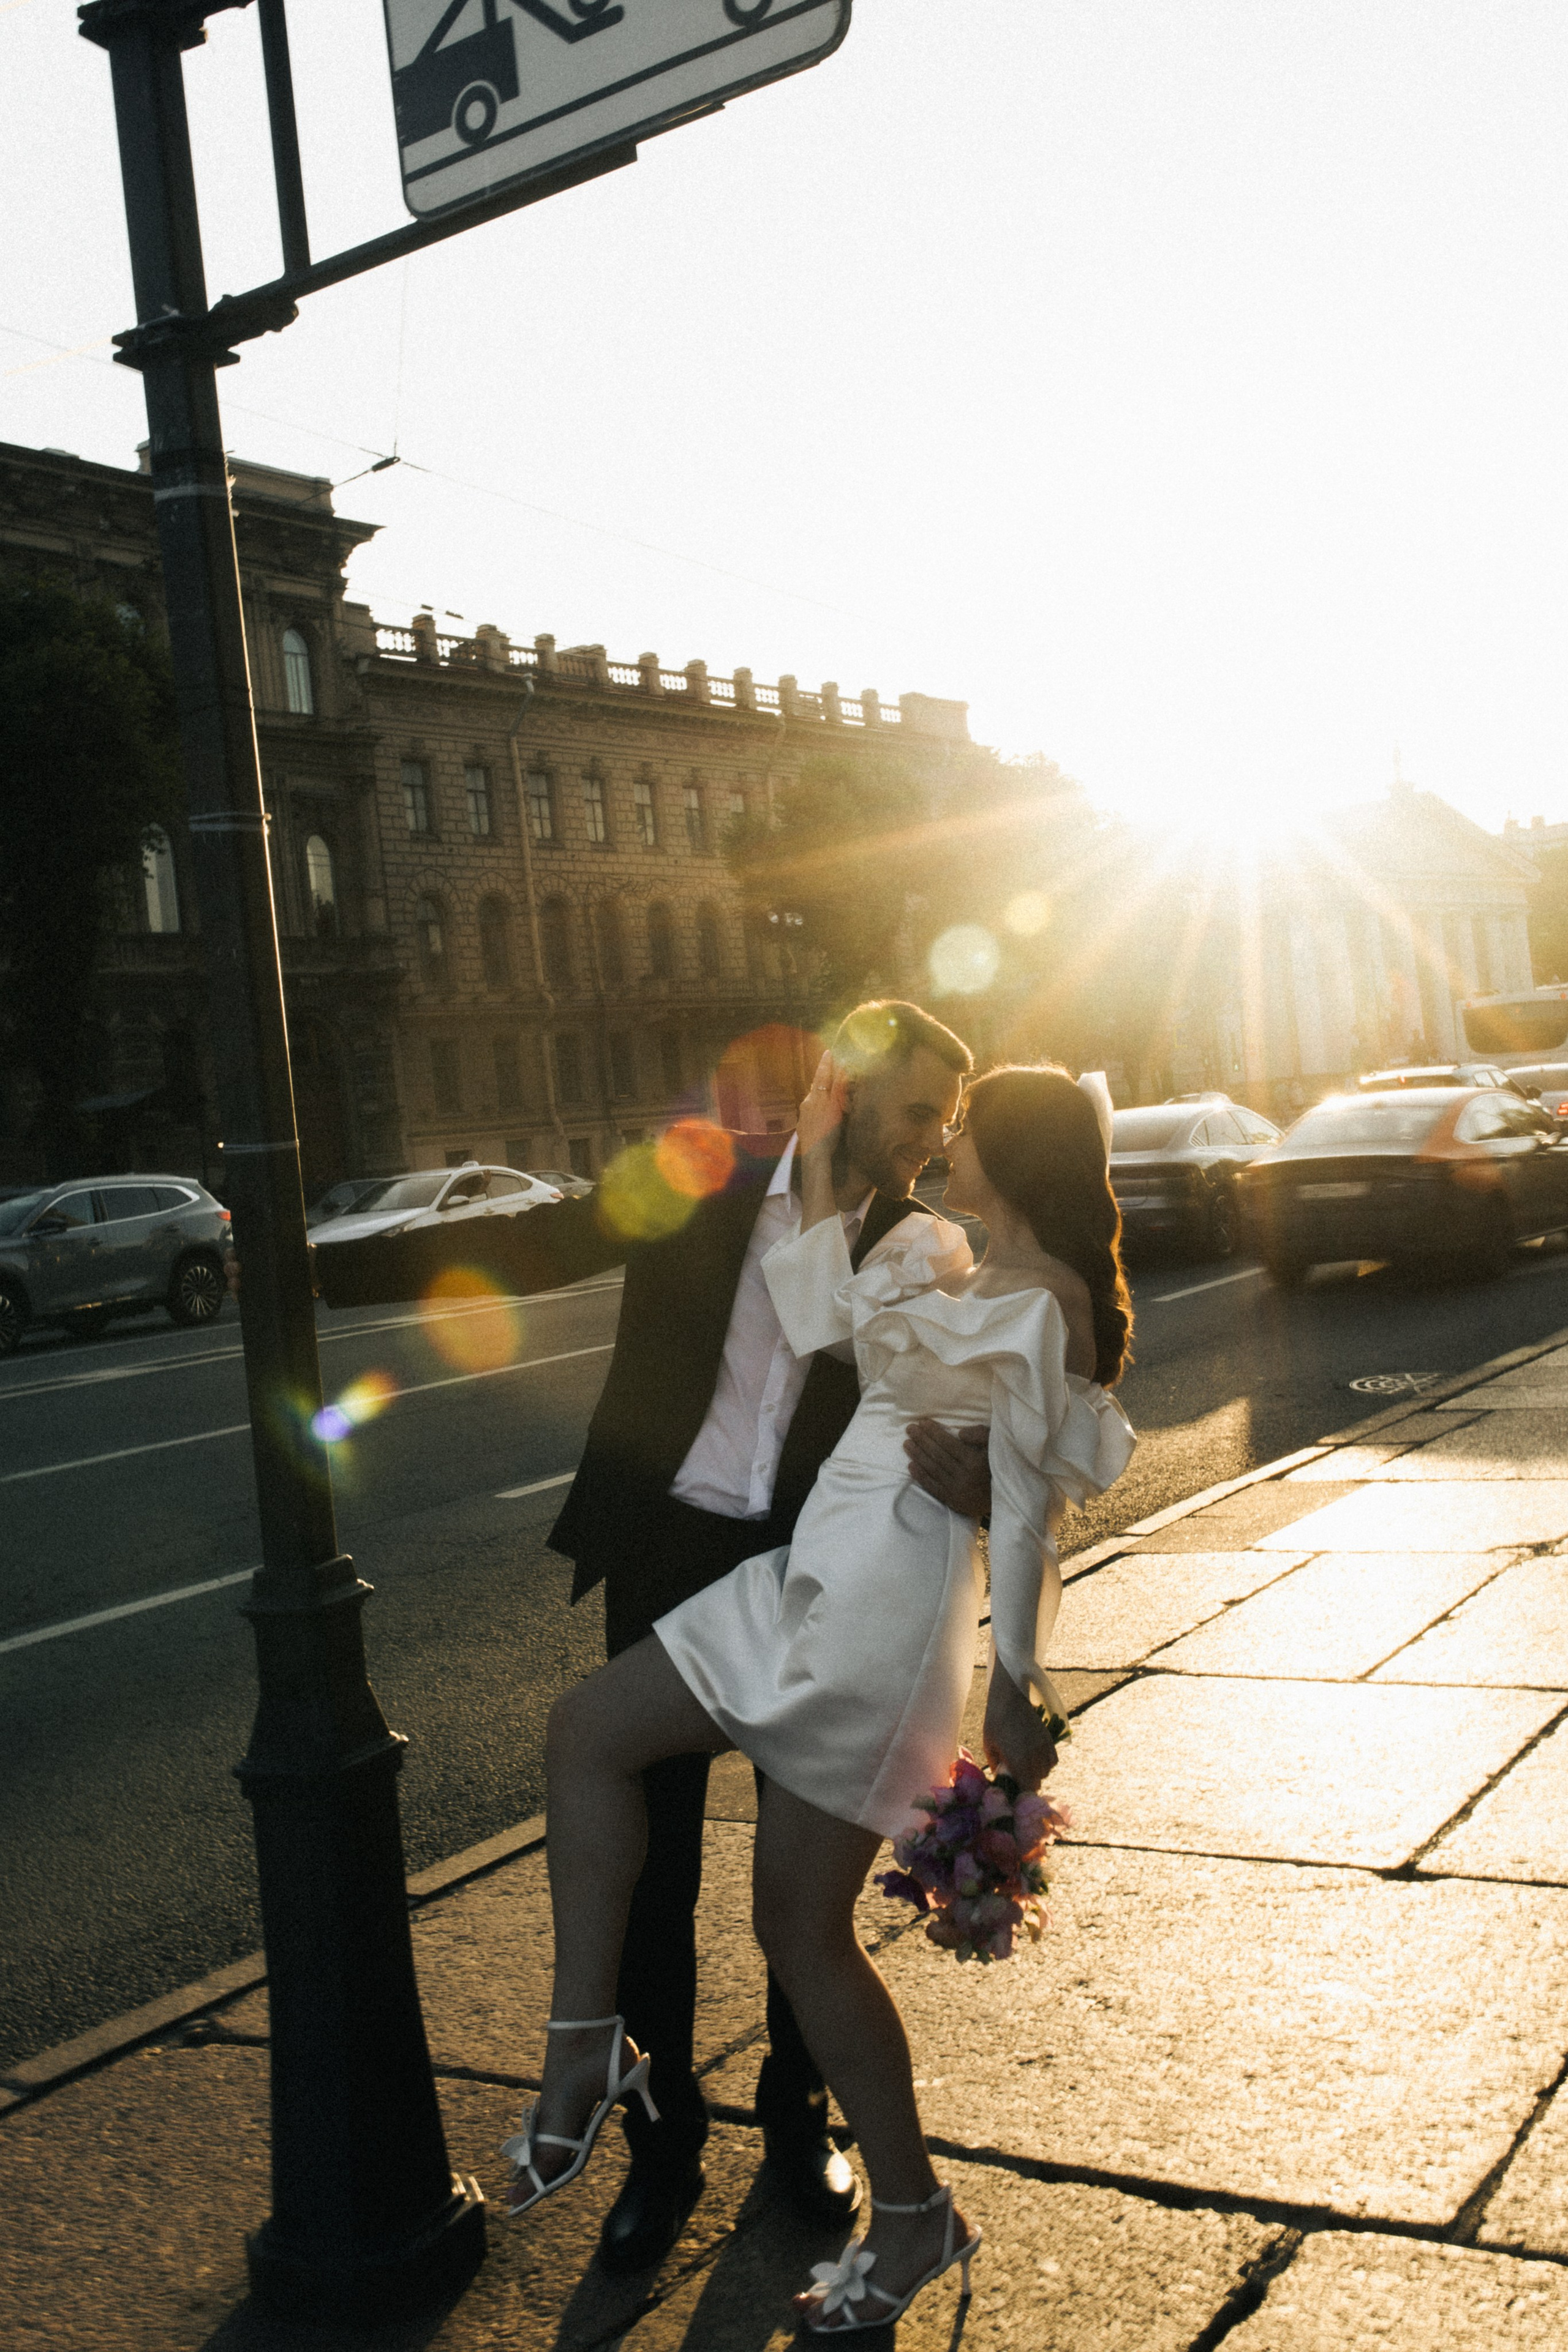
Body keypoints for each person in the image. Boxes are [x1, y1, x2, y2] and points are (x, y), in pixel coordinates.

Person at [309, 1000, 987, 2269]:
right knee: (649, 1871)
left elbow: (971, 1409)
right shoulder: (700, 1177)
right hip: (667, 1558)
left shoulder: (917, 1243)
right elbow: (534, 1236)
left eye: (942, 1133)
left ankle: (798, 2128)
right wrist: (320, 1272)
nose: (923, 1151)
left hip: (809, 1583)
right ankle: (660, 2155)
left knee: (799, 1890)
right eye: (911, 1120)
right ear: (844, 1089)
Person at [505, 1058, 1136, 2335]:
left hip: (880, 1617)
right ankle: (592, 2042)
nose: (942, 1146)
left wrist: (1018, 1688)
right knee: (587, 1736)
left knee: (798, 1932)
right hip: (805, 1576)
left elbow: (1028, 1516)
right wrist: (804, 1139)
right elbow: (804, 1302)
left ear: (1008, 1154)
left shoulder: (1046, 1299)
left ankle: (906, 2218)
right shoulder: (946, 1261)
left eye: (963, 1130)